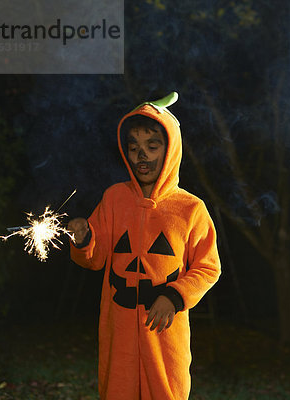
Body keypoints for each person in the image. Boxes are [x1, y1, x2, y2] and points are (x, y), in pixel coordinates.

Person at [67, 92, 221, 399]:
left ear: (171, 149)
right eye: (134, 147)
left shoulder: (190, 208)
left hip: (164, 334)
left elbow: (208, 267)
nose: (142, 155)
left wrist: (175, 296)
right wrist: (84, 240)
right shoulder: (114, 199)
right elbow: (95, 259)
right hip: (119, 330)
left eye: (152, 146)